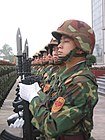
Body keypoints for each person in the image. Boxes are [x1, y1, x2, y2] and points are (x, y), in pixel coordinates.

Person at [19, 19, 98, 140]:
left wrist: (33, 98)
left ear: (81, 48)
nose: (59, 46)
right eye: (60, 41)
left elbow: (51, 127)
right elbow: (50, 105)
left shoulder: (81, 82)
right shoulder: (66, 76)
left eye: (66, 41)